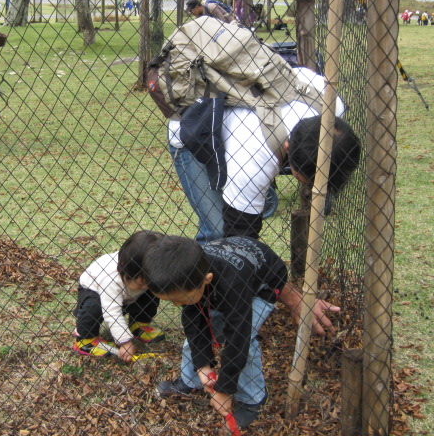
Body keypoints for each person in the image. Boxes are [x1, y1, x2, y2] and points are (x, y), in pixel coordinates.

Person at [144, 235, 327, 429]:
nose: (177, 305)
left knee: (244, 339)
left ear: (207, 280)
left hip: (263, 284)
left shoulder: (231, 283)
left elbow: (237, 336)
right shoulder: (188, 274)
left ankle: (253, 398)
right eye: (172, 301)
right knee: (194, 333)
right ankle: (191, 380)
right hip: (227, 281)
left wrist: (224, 389)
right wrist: (202, 365)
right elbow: (194, 323)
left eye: (179, 300)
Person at [165, 62, 361, 241]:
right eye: (309, 181)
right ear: (287, 149)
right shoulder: (254, 160)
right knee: (218, 231)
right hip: (193, 131)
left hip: (240, 123)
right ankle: (202, 278)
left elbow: (303, 73)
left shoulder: (332, 105)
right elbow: (240, 237)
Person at [73, 231, 165, 363]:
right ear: (126, 272)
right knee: (94, 307)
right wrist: (125, 342)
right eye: (142, 283)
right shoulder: (111, 279)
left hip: (128, 295)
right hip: (95, 291)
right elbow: (112, 312)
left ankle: (139, 324)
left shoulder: (143, 277)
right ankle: (86, 340)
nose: (146, 286)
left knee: (151, 294)